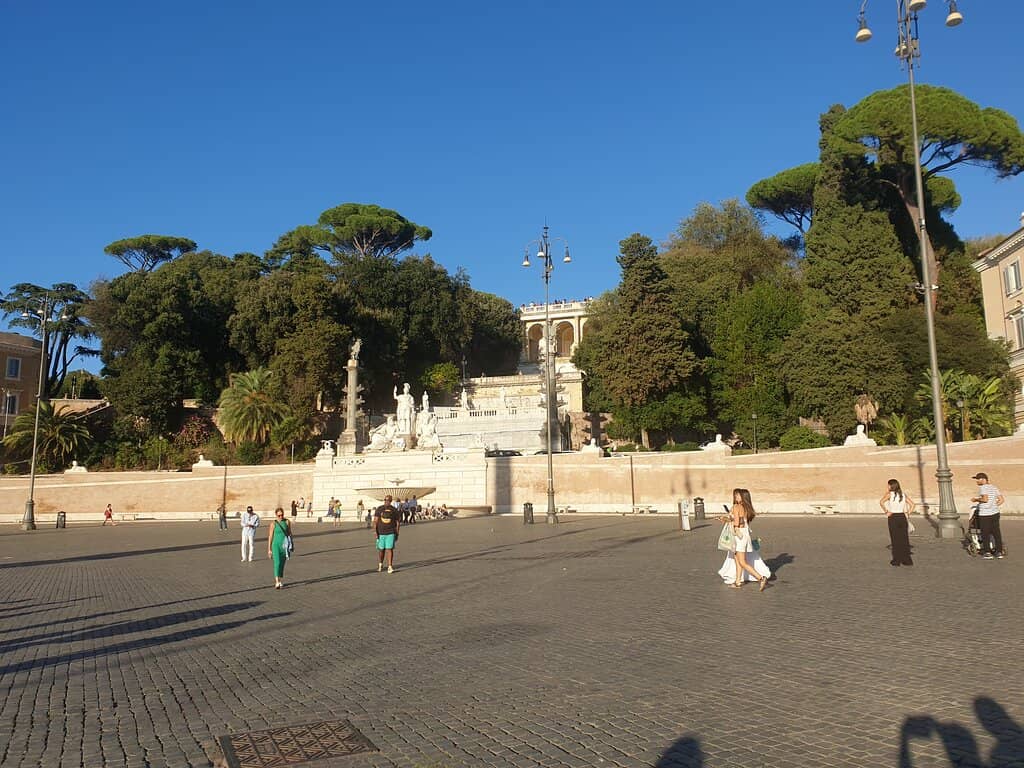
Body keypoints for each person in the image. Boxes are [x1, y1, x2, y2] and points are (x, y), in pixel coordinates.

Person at [717, 488, 769, 591]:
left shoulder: (736, 507)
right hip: (744, 534)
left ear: (743, 497)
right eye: (735, 495)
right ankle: (738, 582)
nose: (736, 497)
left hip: (738, 535)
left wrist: (731, 524)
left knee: (742, 561)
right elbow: (740, 521)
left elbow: (736, 522)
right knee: (737, 559)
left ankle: (761, 578)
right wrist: (726, 519)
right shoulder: (745, 507)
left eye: (738, 495)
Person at [880, 478, 916, 567]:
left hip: (893, 517)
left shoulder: (889, 495)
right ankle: (907, 560)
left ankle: (896, 560)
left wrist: (886, 511)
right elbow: (913, 505)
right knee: (904, 538)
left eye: (888, 485)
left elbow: (881, 502)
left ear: (891, 486)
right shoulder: (903, 495)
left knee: (895, 539)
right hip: (902, 517)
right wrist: (908, 513)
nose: (887, 486)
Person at [971, 472, 1006, 559]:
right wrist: (993, 506)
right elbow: (1001, 500)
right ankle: (999, 552)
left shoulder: (983, 488)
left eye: (977, 479)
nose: (976, 481)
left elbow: (985, 499)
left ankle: (987, 553)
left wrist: (976, 499)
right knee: (996, 533)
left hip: (985, 514)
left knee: (985, 533)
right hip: (995, 513)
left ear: (983, 479)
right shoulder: (994, 487)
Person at [374, 494, 400, 574]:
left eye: (388, 500)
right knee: (381, 550)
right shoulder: (379, 509)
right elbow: (375, 521)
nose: (386, 501)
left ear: (391, 501)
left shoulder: (394, 510)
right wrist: (375, 532)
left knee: (389, 549)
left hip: (391, 532)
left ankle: (390, 566)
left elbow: (397, 522)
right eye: (385, 500)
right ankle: (380, 563)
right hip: (381, 532)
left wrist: (397, 533)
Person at [267, 507, 292, 589]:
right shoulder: (273, 524)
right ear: (276, 515)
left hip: (284, 546)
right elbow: (270, 536)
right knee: (277, 563)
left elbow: (289, 533)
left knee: (282, 564)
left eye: (282, 515)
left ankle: (280, 580)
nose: (281, 517)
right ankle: (277, 581)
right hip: (276, 545)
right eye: (279, 515)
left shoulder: (287, 522)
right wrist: (269, 549)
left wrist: (292, 544)